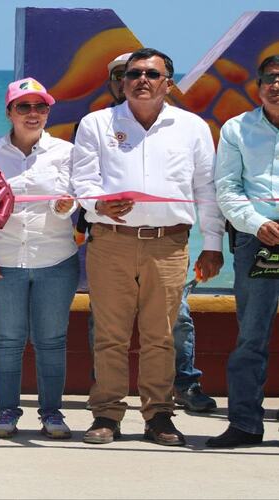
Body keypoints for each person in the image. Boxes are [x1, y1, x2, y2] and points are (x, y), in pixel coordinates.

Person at [72, 48, 224, 446]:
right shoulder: (96, 123)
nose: (142, 79)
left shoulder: (192, 127)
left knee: (161, 335)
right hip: (110, 242)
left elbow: (206, 190)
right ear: (122, 82)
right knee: (110, 335)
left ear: (168, 83)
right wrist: (97, 205)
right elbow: (82, 181)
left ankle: (159, 416)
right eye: (134, 73)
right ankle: (106, 414)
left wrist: (212, 244)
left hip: (169, 245)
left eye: (152, 74)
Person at [0, 78, 78, 439]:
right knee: (7, 340)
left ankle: (52, 414)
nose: (33, 113)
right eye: (24, 106)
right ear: (9, 112)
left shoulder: (67, 152)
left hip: (57, 260)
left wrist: (66, 207)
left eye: (41, 106)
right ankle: (6, 412)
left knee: (52, 341)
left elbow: (74, 198)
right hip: (2, 260)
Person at [209, 54, 279, 448]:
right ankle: (245, 424)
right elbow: (228, 188)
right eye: (270, 78)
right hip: (257, 240)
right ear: (258, 85)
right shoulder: (237, 128)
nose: (277, 86)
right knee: (251, 336)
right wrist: (256, 223)